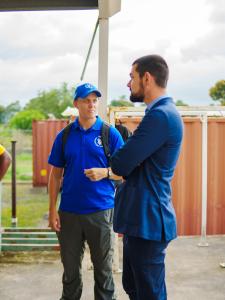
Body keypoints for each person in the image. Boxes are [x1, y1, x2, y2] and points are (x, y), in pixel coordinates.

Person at [110, 54, 184, 300]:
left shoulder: (160, 115)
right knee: (134, 287)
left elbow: (120, 163)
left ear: (147, 78)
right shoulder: (160, 114)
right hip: (140, 221)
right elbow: (130, 160)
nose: (128, 83)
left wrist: (126, 150)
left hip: (148, 221)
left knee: (149, 294)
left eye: (132, 77)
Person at [48, 82, 124, 300]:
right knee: (70, 273)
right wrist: (52, 210)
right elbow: (55, 176)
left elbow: (124, 173)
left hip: (100, 213)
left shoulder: (110, 134)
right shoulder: (64, 136)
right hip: (69, 214)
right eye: (86, 101)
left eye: (94, 100)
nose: (91, 105)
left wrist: (105, 172)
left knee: (103, 272)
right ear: (76, 104)